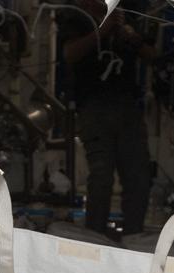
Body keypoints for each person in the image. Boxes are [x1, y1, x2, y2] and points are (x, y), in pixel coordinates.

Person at [59, 0, 154, 239]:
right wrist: (102, 31)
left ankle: (134, 237)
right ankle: (95, 238)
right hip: (94, 106)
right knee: (101, 177)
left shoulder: (127, 15)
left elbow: (153, 55)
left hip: (127, 105)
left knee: (138, 176)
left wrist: (131, 37)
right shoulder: (76, 18)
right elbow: (69, 54)